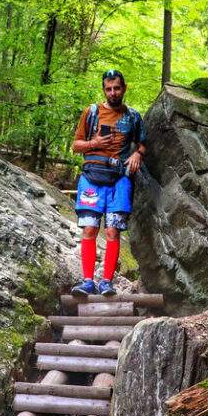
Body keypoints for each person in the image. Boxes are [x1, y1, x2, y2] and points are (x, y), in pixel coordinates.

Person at [69, 69, 147, 297]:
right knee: (89, 229)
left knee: (113, 231)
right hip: (91, 178)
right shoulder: (91, 112)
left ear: (124, 88)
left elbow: (142, 143)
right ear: (104, 90)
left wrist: (138, 154)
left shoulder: (133, 116)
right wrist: (94, 143)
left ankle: (106, 283)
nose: (113, 92)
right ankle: (87, 282)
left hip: (119, 180)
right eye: (108, 89)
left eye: (117, 88)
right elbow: (76, 146)